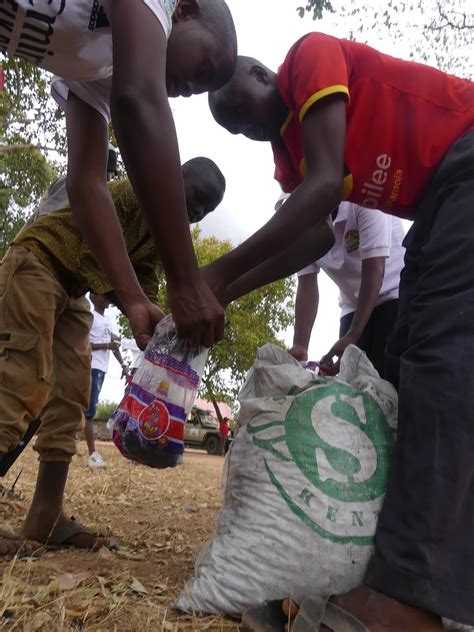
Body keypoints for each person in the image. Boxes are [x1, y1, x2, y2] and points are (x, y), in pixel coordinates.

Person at [207, 40, 474, 630]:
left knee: (443, 359)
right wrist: (222, 291)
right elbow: (309, 241)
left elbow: (325, 187)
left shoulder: (310, 57)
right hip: (436, 202)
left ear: (261, 71)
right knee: (402, 366)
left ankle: (413, 597)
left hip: (467, 153)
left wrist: (211, 276)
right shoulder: (288, 159)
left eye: (241, 107)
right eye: (234, 129)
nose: (245, 126)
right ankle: (390, 564)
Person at [0, 157, 226, 558]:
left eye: (205, 211)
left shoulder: (158, 233)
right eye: (195, 198)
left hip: (70, 291)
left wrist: (157, 328)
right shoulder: (128, 192)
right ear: (173, 177)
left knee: (71, 396)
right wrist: (135, 301)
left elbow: (143, 283)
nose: (195, 213)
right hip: (35, 265)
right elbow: (97, 246)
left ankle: (45, 515)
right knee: (19, 384)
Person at [1, 0, 237, 350]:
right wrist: (186, 281)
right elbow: (138, 99)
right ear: (184, 9)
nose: (188, 87)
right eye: (202, 69)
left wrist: (136, 301)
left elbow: (86, 183)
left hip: (73, 284)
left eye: (196, 90)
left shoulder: (101, 68)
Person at [289, 201, 405, 378]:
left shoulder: (363, 201)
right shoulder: (302, 225)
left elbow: (374, 271)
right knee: (353, 383)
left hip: (395, 292)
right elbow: (307, 284)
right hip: (353, 304)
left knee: (388, 376)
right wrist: (300, 346)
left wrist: (353, 336)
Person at [84, 294, 128, 470]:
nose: (108, 298)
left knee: (87, 407)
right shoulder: (91, 317)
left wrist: (123, 365)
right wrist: (107, 346)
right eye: (102, 295)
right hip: (92, 366)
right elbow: (85, 344)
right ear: (93, 298)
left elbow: (113, 345)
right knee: (89, 410)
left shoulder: (107, 320)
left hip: (102, 369)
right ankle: (92, 454)